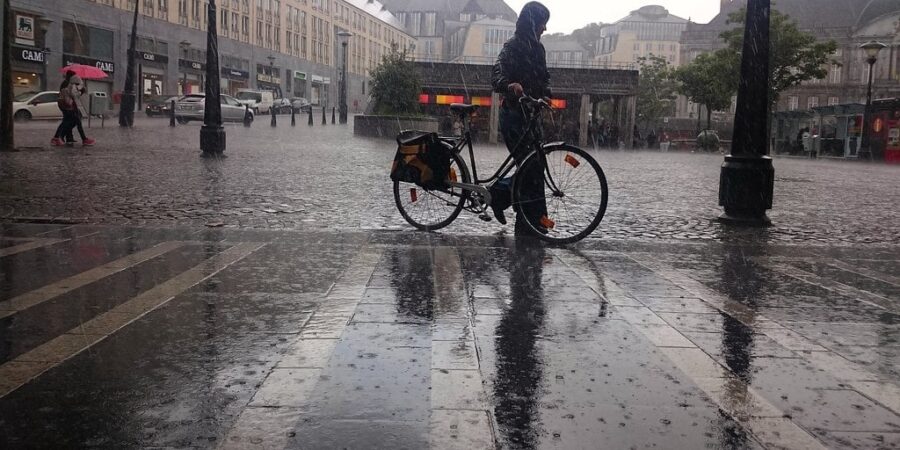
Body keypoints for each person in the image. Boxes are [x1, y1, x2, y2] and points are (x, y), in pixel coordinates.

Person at [490, 1, 551, 236]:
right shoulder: (513, 46)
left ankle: (505, 198)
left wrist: (545, 94)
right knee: (530, 167)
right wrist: (509, 85)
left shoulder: (539, 50)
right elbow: (497, 74)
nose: (544, 28)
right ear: (533, 22)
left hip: (531, 116)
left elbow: (544, 78)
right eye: (543, 23)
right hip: (514, 115)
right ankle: (531, 223)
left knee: (536, 166)